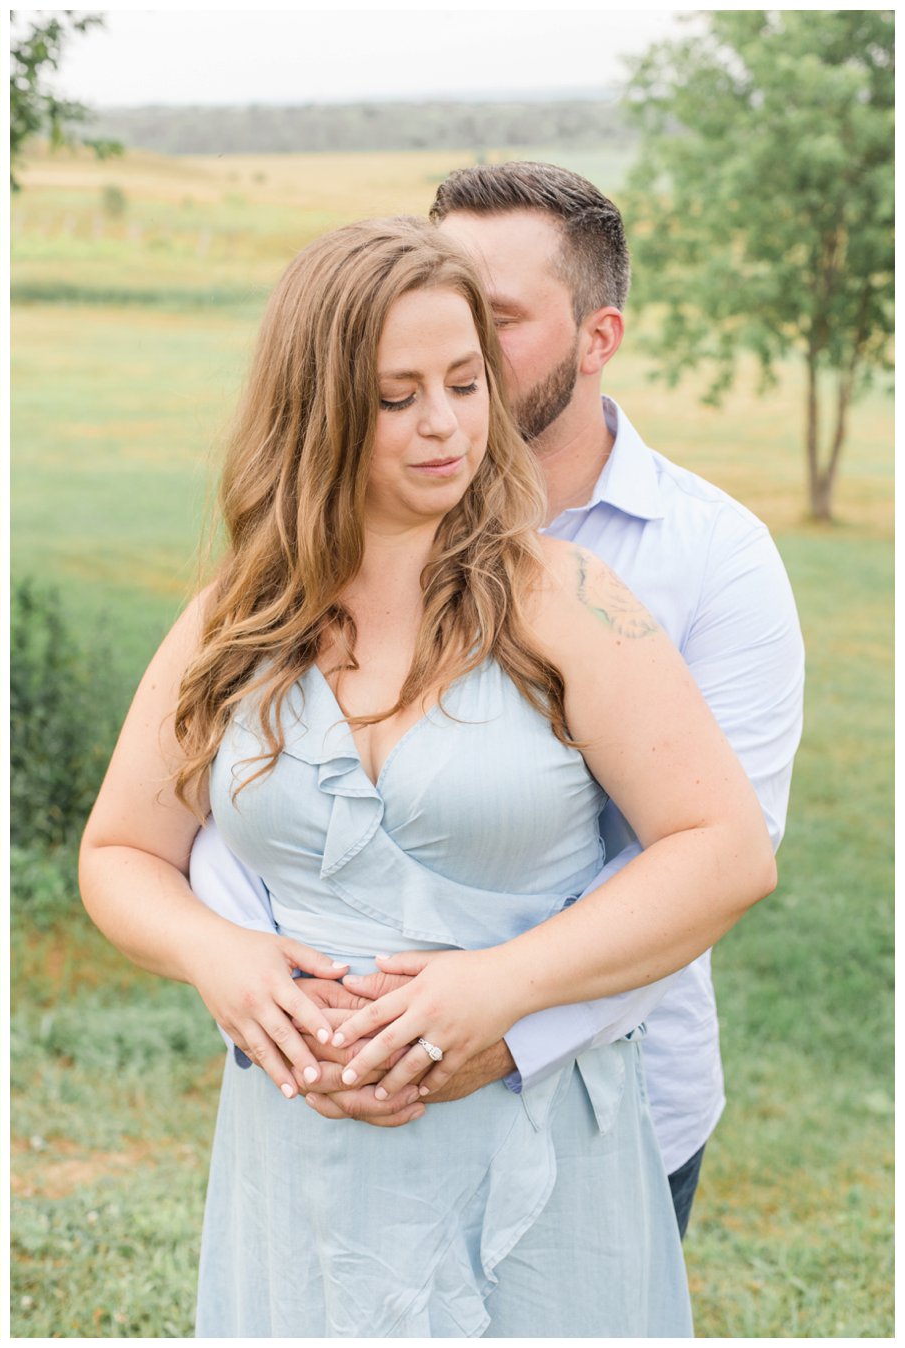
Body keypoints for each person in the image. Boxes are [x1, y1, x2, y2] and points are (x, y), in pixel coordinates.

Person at [78, 217, 776, 1335]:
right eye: (398, 397)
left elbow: (724, 850)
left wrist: (502, 988)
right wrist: (222, 957)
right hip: (299, 1167)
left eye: (464, 381)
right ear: (318, 409)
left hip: (534, 1148)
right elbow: (119, 853)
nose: (445, 424)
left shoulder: (567, 600)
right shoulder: (236, 622)